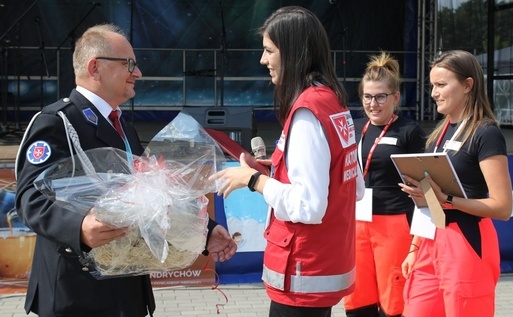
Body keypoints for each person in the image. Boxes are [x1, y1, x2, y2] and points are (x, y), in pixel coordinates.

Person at [15, 23, 236, 317]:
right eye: (129, 63)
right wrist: (79, 227)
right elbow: (30, 198)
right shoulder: (56, 122)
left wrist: (205, 232)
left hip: (126, 290)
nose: (138, 73)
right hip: (75, 294)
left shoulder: (124, 127)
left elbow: (150, 198)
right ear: (95, 68)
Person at [209, 6, 362, 317]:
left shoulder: (308, 112)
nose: (263, 60)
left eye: (269, 50)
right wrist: (270, 170)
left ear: (293, 52)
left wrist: (254, 180)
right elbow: (351, 185)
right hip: (319, 271)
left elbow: (309, 205)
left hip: (303, 275)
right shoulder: (331, 101)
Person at [399, 50, 512, 317]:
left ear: (468, 85)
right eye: (432, 86)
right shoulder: (438, 135)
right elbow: (430, 202)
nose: (434, 93)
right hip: (431, 240)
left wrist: (447, 200)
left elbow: (502, 207)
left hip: (467, 243)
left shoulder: (486, 133)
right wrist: (415, 247)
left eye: (441, 85)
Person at [343, 52, 426, 317]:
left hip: (393, 224)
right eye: (367, 96)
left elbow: (424, 186)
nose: (373, 103)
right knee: (356, 299)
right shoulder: (353, 128)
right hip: (355, 223)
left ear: (396, 98)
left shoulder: (409, 131)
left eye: (380, 96)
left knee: (393, 302)